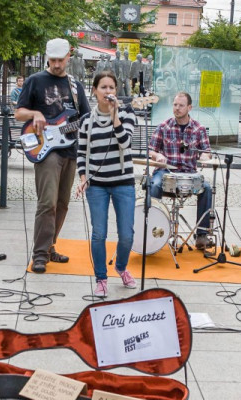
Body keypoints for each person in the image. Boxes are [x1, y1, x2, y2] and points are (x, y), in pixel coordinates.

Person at [15, 38, 91, 274]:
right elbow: (19, 113)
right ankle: (39, 254)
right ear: (48, 58)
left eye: (61, 60)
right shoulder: (35, 80)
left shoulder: (75, 86)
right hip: (46, 150)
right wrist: (35, 113)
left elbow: (86, 118)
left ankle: (50, 247)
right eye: (53, 60)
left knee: (62, 204)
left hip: (70, 150)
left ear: (69, 57)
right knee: (47, 202)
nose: (57, 65)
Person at [75, 71, 137, 296]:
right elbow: (81, 153)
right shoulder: (85, 121)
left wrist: (115, 115)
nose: (108, 91)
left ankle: (121, 267)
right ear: (94, 90)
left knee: (127, 234)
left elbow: (125, 142)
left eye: (112, 87)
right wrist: (83, 179)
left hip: (123, 182)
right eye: (103, 87)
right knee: (99, 233)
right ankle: (101, 278)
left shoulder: (127, 113)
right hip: (97, 185)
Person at [148, 92, 214, 250]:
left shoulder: (199, 129)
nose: (177, 108)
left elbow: (207, 151)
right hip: (166, 172)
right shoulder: (164, 126)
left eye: (181, 105)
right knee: (154, 185)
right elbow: (150, 150)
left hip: (189, 173)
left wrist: (205, 156)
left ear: (189, 107)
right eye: (175, 105)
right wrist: (158, 155)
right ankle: (152, 229)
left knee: (207, 188)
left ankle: (202, 235)